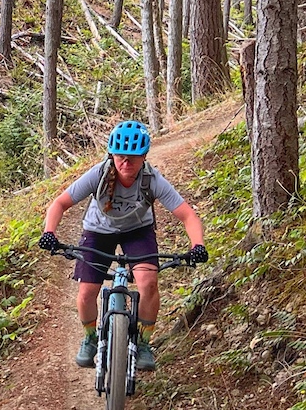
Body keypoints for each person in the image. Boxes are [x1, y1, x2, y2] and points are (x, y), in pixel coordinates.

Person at [36, 120, 207, 372]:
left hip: (138, 232)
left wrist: (198, 245)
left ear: (144, 157)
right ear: (112, 155)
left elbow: (187, 215)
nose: (126, 163)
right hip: (97, 231)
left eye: (133, 158)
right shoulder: (99, 175)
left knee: (148, 282)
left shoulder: (152, 180)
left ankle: (143, 342)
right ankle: (90, 337)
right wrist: (49, 231)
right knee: (86, 292)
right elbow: (60, 203)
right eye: (120, 157)